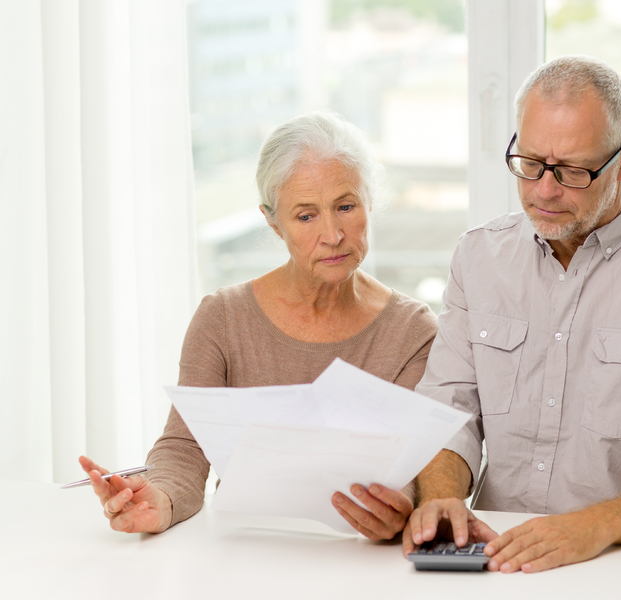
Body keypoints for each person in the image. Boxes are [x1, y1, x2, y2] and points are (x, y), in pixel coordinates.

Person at [402, 55, 621, 573]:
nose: (544, 191)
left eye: (572, 171)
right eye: (529, 164)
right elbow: (449, 409)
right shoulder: (478, 257)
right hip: (494, 561)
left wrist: (595, 526)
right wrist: (441, 497)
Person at [78, 111, 438, 538]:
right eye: (306, 216)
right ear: (273, 221)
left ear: (370, 203)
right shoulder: (222, 318)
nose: (333, 234)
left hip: (366, 562)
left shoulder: (414, 331)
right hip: (246, 549)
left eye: (346, 206)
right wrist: (161, 499)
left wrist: (406, 505)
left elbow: (419, 465)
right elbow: (185, 446)